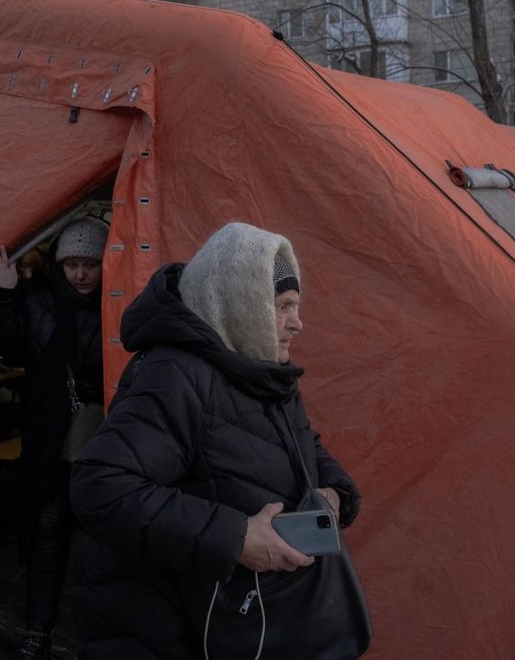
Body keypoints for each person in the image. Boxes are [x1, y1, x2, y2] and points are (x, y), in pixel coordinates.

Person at [69, 222, 365, 659]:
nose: (296, 323)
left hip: (230, 618)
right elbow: (102, 486)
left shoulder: (259, 367)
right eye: (282, 306)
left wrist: (333, 488)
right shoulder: (176, 374)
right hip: (164, 630)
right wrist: (237, 537)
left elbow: (300, 439)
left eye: (296, 305)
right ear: (240, 305)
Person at [0, 216, 109, 659]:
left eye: (90, 264)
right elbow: (12, 348)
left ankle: (101, 634)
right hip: (52, 439)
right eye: (72, 263)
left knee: (105, 540)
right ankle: (38, 629)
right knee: (48, 532)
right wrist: (4, 292)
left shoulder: (121, 301)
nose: (80, 274)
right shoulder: (39, 302)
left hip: (108, 438)